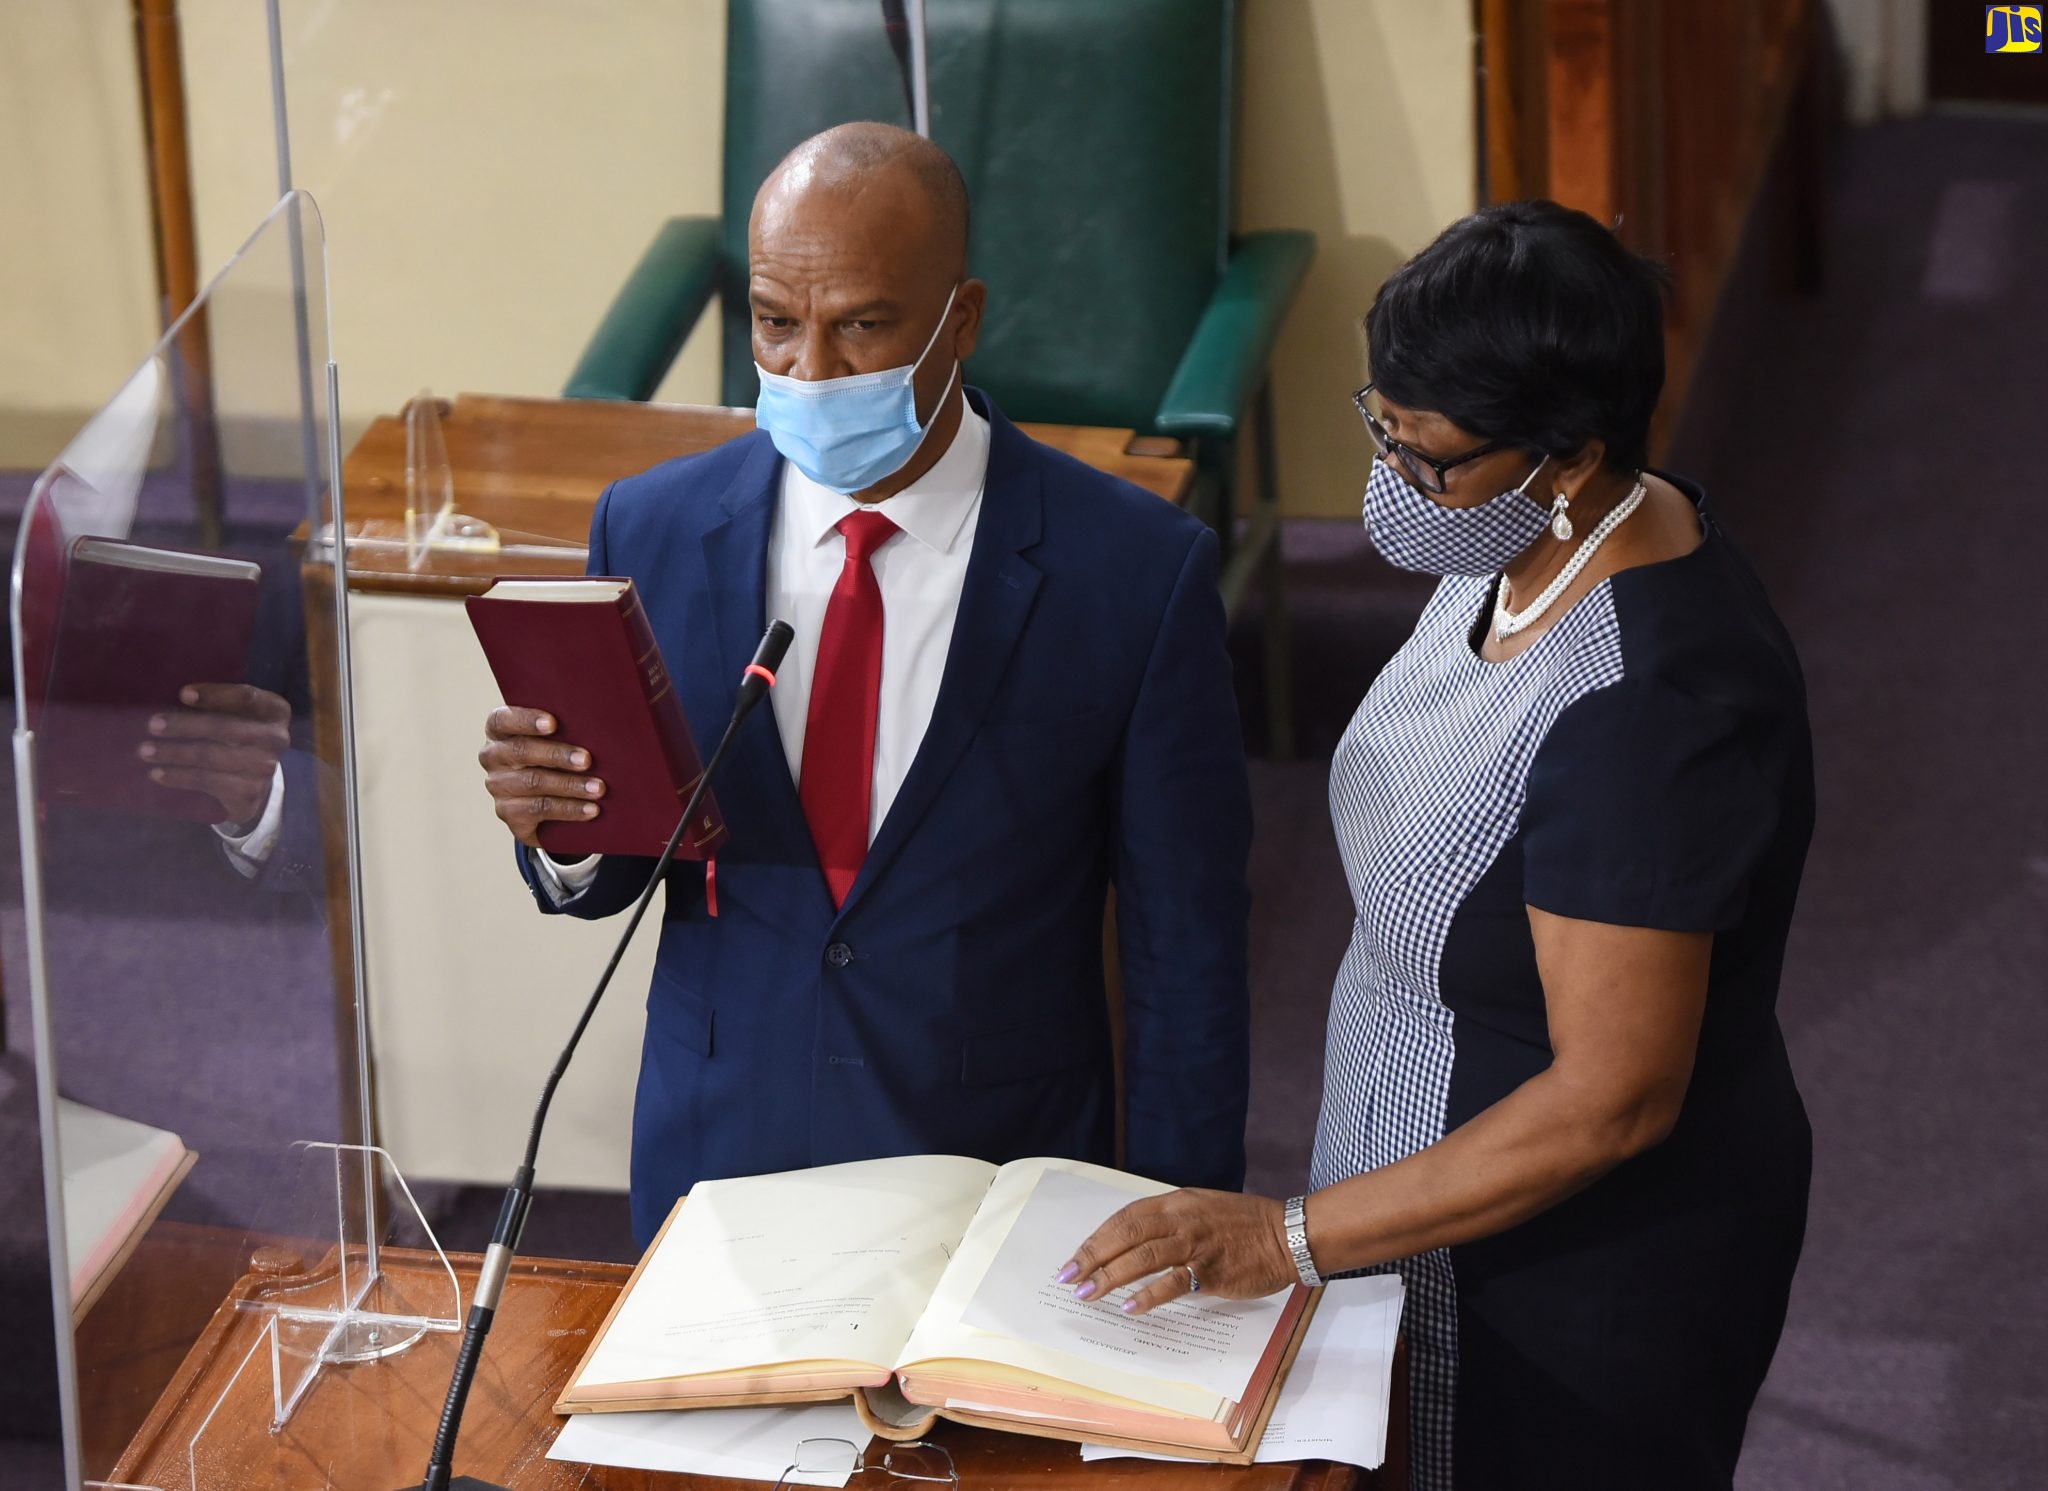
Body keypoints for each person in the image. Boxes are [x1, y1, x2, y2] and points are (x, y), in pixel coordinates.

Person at [1060, 201, 1814, 1491]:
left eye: (1427, 458)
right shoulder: (1516, 535)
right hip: (1409, 1195)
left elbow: (1612, 1097)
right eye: (1381, 428)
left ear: (1566, 456)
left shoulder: (1652, 711)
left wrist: (1288, 1239)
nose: (1393, 485)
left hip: (1576, 1283)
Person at [477, 123, 1252, 1243]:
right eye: (776, 325)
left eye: (861, 328)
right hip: (719, 1159)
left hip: (992, 1176)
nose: (809, 372)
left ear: (962, 318)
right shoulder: (649, 526)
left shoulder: (1132, 570)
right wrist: (564, 830)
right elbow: (613, 873)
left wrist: (1187, 1216)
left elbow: (1186, 948)